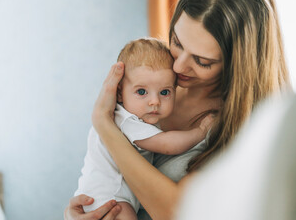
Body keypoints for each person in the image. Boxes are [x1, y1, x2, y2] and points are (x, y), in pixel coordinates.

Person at [64, 0, 292, 219]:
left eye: (202, 61)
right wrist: (80, 211)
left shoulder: (245, 128)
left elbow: (175, 212)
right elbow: (102, 167)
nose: (178, 65)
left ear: (239, 64)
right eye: (177, 42)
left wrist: (104, 124)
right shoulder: (152, 82)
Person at [75, 38, 213, 220]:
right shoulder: (127, 120)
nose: (154, 101)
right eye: (141, 92)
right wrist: (201, 132)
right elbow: (167, 145)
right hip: (108, 198)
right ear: (119, 93)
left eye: (164, 92)